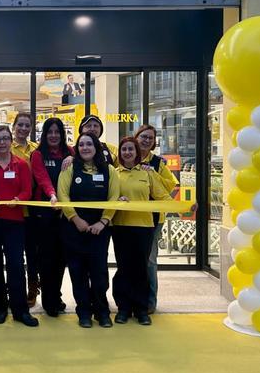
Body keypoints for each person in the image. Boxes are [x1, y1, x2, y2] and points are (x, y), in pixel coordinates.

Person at [112, 136, 192, 326]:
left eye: (131, 149)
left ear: (136, 152)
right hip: (120, 227)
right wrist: (117, 200)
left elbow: (163, 196)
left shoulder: (148, 173)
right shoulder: (114, 173)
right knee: (123, 268)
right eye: (124, 150)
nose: (127, 153)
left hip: (144, 227)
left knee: (141, 269)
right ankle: (123, 308)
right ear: (120, 153)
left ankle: (141, 309)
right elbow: (108, 196)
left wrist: (184, 207)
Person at [56, 132, 118, 328]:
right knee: (78, 273)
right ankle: (83, 312)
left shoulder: (109, 170)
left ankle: (102, 312)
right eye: (81, 144)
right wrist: (76, 219)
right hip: (74, 229)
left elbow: (114, 198)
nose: (85, 148)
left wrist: (103, 222)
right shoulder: (69, 168)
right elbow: (62, 195)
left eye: (89, 144)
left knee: (99, 274)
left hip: (99, 231)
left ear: (96, 147)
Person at [0, 125, 39, 327]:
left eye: (6, 138)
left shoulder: (21, 164)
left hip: (15, 222)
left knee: (15, 265)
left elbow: (27, 190)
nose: (2, 142)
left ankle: (20, 310)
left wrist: (18, 199)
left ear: (10, 141)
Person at [29, 118, 72, 317]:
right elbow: (41, 177)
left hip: (65, 213)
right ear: (44, 135)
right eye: (50, 132)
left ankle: (56, 295)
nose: (53, 135)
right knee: (46, 258)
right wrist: (53, 195)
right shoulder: (37, 155)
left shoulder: (71, 153)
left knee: (61, 258)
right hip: (44, 212)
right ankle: (49, 300)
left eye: (57, 132)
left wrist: (74, 159)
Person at [135, 124, 179, 314]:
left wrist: (152, 175)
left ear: (154, 143)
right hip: (129, 217)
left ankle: (150, 302)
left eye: (150, 138)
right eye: (143, 136)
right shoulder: (126, 157)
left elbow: (170, 187)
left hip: (153, 219)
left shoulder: (158, 163)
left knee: (150, 261)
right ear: (136, 137)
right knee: (131, 261)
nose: (146, 140)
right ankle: (131, 299)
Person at [11, 112, 40, 306]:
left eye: (26, 125)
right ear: (14, 126)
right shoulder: (5, 147)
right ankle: (14, 286)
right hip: (12, 209)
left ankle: (32, 286)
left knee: (32, 252)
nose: (23, 129)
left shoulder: (37, 149)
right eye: (20, 125)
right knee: (14, 253)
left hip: (32, 209)